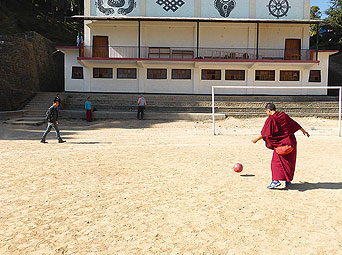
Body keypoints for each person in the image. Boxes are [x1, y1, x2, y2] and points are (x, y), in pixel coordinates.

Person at [252, 103, 310, 189]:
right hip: (291, 142)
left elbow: (265, 133)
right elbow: (294, 124)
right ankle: (288, 181)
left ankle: (275, 181)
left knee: (276, 163)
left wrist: (256, 139)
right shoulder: (283, 116)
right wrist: (304, 131)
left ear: (268, 110)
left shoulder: (271, 119)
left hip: (281, 144)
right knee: (289, 162)